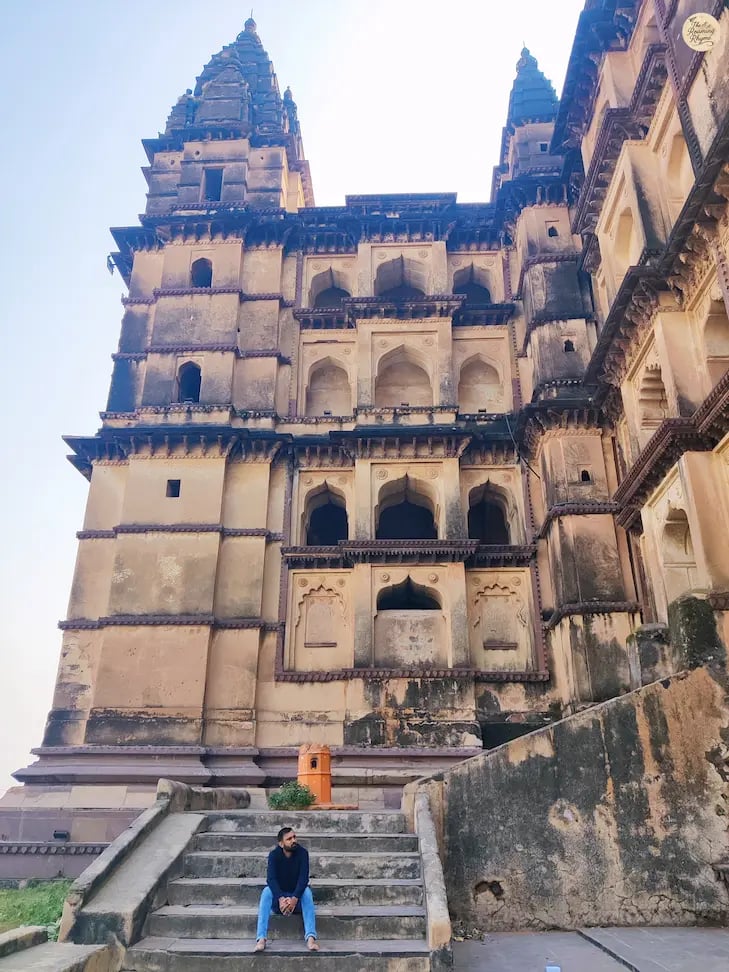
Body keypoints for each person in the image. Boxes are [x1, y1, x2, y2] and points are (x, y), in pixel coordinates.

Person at [254, 826, 318, 952]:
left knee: (307, 892)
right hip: (280, 902)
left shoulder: (302, 853)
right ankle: (261, 938)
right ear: (281, 843)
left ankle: (311, 938)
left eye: (294, 837)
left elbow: (303, 879)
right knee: (266, 892)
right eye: (289, 839)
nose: (293, 840)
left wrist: (294, 899)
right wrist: (281, 898)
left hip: (297, 901)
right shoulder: (274, 855)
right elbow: (271, 879)